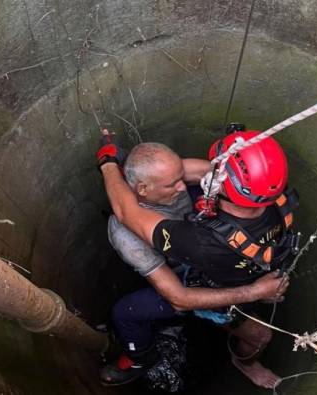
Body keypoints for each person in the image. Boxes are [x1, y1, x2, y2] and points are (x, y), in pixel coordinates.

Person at [97, 129, 299, 389]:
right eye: (173, 183)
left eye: (181, 176)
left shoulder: (174, 181)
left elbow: (201, 172)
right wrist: (255, 291)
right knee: (124, 313)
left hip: (201, 251)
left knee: (259, 336)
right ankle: (141, 357)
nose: (184, 186)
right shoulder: (127, 235)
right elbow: (179, 297)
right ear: (144, 188)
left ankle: (244, 362)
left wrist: (108, 161)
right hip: (182, 279)